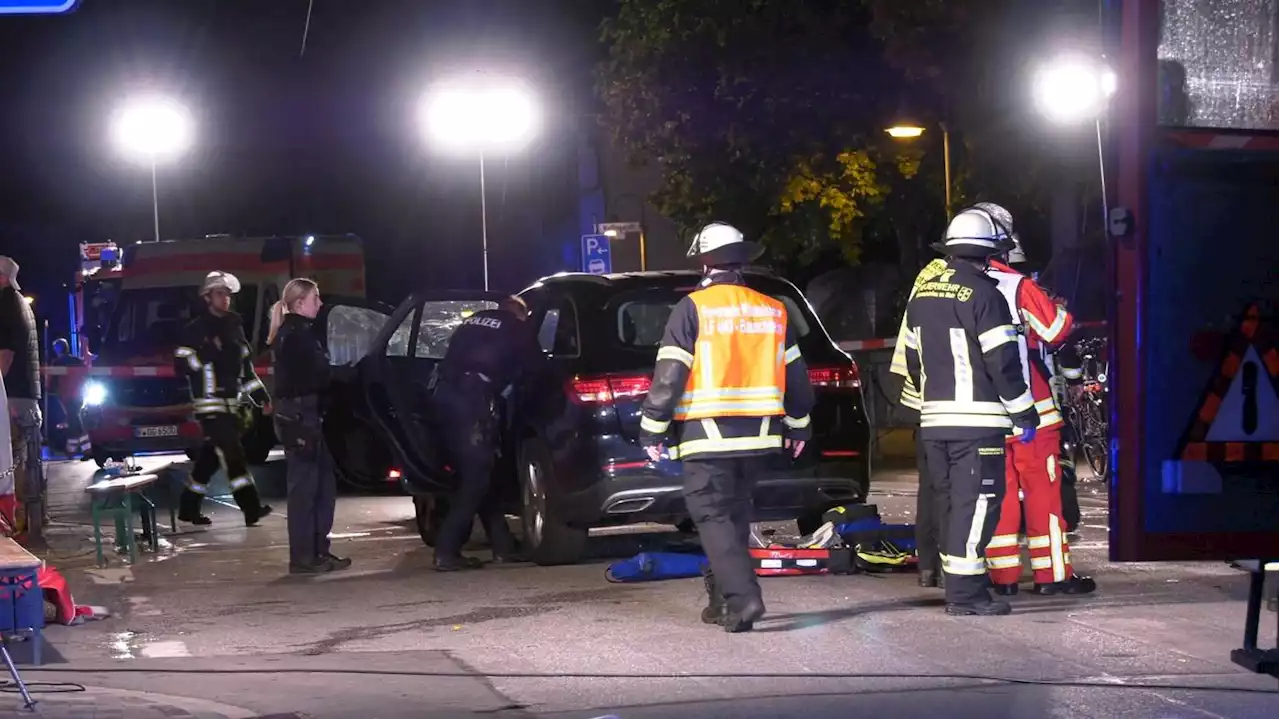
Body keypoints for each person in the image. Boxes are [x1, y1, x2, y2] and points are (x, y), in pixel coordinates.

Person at [639, 222, 815, 633]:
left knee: (712, 516)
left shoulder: (693, 308)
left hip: (707, 435)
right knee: (733, 518)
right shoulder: (773, 309)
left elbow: (670, 374)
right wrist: (800, 427)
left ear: (704, 261)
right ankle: (724, 606)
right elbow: (797, 377)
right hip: (759, 438)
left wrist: (652, 428)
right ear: (741, 260)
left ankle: (744, 598)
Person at [901, 204, 1040, 616]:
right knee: (977, 503)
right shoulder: (986, 294)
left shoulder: (923, 294)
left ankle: (964, 584)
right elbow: (1002, 362)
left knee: (949, 502)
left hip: (934, 422)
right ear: (989, 252)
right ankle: (965, 595)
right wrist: (1023, 413)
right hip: (976, 424)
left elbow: (912, 358)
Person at [984, 233, 1096, 596]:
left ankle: (1003, 580)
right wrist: (1054, 305)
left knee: (998, 496)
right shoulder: (1021, 287)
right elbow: (1058, 331)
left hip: (987, 415)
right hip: (1035, 414)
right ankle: (1051, 576)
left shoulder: (963, 289)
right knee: (1043, 494)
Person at [430, 295, 540, 571]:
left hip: (445, 397)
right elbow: (535, 367)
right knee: (477, 477)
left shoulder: (473, 321)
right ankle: (446, 550)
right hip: (472, 401)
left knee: (480, 473)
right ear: (520, 314)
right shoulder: (516, 327)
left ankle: (503, 546)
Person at [174, 271, 273, 527]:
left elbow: (246, 370)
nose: (226, 298)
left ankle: (188, 507)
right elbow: (182, 366)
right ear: (207, 297)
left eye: (228, 294)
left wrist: (262, 397)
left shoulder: (235, 327)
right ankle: (251, 508)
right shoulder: (194, 330)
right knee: (233, 454)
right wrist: (207, 350)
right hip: (209, 405)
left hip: (234, 406)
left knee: (209, 458)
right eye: (220, 293)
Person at [268, 278, 351, 575]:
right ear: (300, 303)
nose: (320, 303)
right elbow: (316, 376)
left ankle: (316, 552)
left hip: (305, 416)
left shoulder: (296, 332)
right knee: (306, 490)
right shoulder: (297, 335)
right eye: (316, 298)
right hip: (301, 418)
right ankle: (304, 557)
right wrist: (346, 375)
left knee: (321, 487)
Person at [889, 255, 949, 589]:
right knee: (952, 487)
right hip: (944, 398)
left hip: (921, 396)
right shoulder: (955, 280)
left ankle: (928, 565)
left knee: (930, 487)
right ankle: (949, 564)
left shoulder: (929, 272)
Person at [0, 256, 44, 543]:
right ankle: (31, 524)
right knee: (27, 463)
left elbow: (5, 353)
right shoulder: (19, 303)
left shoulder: (5, 303)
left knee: (12, 463)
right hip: (25, 394)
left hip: (13, 395)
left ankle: (16, 531)